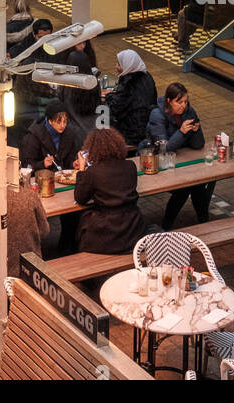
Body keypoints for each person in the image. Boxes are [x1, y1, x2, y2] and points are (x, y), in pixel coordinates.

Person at [144, 83, 214, 228]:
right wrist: (181, 132)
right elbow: (164, 149)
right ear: (169, 101)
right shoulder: (157, 115)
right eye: (179, 102)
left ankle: (203, 222)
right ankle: (168, 225)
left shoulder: (189, 112)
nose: (183, 106)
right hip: (156, 161)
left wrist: (196, 131)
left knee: (198, 184)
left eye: (185, 101)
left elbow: (198, 145)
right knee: (185, 188)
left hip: (181, 161)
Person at [72, 125, 146, 254]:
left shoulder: (93, 171)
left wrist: (82, 170)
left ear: (92, 149)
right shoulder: (130, 166)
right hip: (132, 229)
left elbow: (80, 198)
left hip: (105, 234)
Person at [108, 50, 158, 149]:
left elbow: (115, 107)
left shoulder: (128, 82)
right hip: (149, 125)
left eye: (119, 64)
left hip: (132, 133)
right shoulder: (147, 76)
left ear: (127, 65)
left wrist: (108, 96)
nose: (116, 66)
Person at [19, 100, 82, 173]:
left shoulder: (69, 134)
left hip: (62, 179)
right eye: (58, 122)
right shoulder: (33, 137)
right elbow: (26, 166)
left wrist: (73, 164)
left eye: (65, 121)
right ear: (50, 121)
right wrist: (43, 164)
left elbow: (68, 160)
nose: (62, 125)